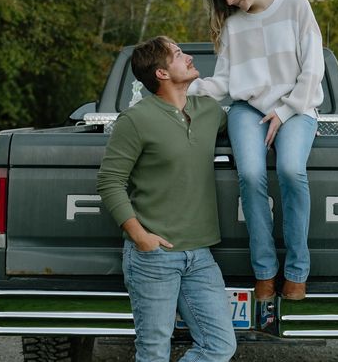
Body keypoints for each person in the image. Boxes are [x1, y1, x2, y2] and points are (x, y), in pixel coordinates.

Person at [189, 0, 324, 302]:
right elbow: (223, 82)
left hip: (297, 106)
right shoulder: (234, 25)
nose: (231, 1)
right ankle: (265, 271)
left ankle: (296, 271)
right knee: (250, 175)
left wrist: (286, 109)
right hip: (247, 110)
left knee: (292, 170)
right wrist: (181, 88)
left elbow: (313, 67)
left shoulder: (295, 4)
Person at [97, 36, 237, 362]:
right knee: (153, 352)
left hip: (200, 256)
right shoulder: (136, 120)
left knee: (220, 346)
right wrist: (140, 236)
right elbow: (110, 180)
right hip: (153, 255)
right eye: (178, 54)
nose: (188, 57)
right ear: (161, 73)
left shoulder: (209, 111)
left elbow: (246, 123)